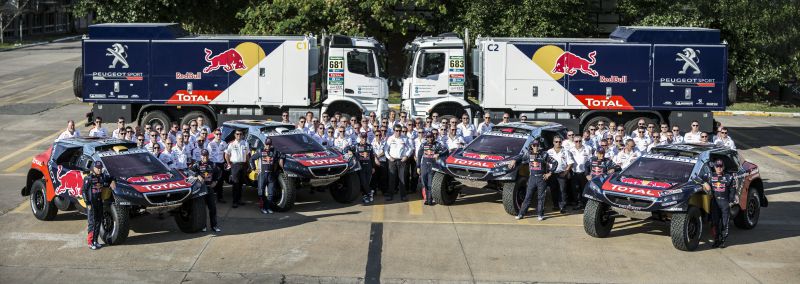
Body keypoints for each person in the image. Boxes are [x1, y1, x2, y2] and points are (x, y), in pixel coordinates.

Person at [518, 140, 557, 221]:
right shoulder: (528, 154)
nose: (536, 146)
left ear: (539, 145)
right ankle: (521, 214)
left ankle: (540, 215)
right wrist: (514, 160)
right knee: (528, 197)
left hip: (541, 179)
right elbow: (520, 157)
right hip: (532, 178)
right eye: (534, 145)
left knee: (541, 198)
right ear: (531, 146)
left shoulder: (544, 154)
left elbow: (555, 162)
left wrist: (549, 173)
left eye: (537, 145)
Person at [703, 159, 736, 248]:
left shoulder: (729, 177)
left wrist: (731, 202)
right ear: (714, 167)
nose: (719, 168)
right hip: (714, 203)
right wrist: (704, 183)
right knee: (715, 222)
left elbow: (733, 190)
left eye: (721, 166)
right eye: (717, 166)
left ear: (723, 167)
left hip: (725, 203)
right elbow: (696, 179)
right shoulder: (710, 175)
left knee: (725, 223)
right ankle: (716, 240)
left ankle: (723, 241)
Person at [187, 149, 221, 232]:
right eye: (203, 155)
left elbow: (219, 172)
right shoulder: (197, 164)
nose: (204, 157)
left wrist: (215, 181)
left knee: (212, 208)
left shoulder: (212, 164)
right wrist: (197, 175)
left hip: (209, 188)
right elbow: (189, 171)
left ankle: (214, 226)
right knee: (202, 209)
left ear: (208, 156)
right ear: (200, 156)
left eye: (206, 155)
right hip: (200, 189)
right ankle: (203, 226)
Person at [82, 161, 113, 250]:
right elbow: (83, 191)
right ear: (94, 168)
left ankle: (95, 241)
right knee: (92, 223)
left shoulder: (102, 176)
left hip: (99, 202)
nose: (99, 169)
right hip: (91, 203)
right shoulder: (88, 178)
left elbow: (110, 178)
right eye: (97, 168)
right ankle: (90, 242)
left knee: (98, 221)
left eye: (100, 168)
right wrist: (87, 203)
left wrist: (112, 181)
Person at [249, 138, 283, 214]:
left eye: (269, 144)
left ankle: (268, 207)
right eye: (267, 144)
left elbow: (282, 155)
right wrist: (254, 169)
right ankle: (262, 208)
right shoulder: (260, 151)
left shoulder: (275, 152)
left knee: (271, 193)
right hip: (262, 175)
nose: (268, 146)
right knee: (261, 193)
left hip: (271, 175)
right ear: (264, 144)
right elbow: (251, 159)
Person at [346, 133, 379, 204]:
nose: (364, 139)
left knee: (367, 183)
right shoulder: (356, 146)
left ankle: (365, 197)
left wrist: (373, 167)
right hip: (360, 167)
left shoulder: (370, 146)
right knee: (363, 182)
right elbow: (346, 148)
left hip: (369, 167)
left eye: (365, 138)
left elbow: (372, 157)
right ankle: (370, 192)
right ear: (360, 138)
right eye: (362, 138)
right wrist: (350, 151)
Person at [417, 132, 447, 205]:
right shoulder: (423, 144)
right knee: (424, 183)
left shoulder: (437, 144)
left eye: (431, 137)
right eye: (428, 137)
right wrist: (418, 167)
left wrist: (439, 154)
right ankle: (427, 199)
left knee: (430, 183)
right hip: (424, 165)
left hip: (433, 165)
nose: (430, 138)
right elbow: (419, 155)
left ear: (433, 137)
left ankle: (429, 200)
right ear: (426, 137)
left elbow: (446, 150)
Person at [385, 124, 413, 201]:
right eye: (396, 130)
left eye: (400, 130)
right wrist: (389, 157)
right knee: (391, 178)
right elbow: (385, 149)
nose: (398, 132)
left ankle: (403, 196)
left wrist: (406, 156)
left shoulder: (405, 138)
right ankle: (390, 195)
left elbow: (410, 149)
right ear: (394, 131)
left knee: (402, 179)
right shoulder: (390, 138)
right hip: (392, 161)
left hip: (402, 161)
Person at [547, 136, 574, 213]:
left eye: (559, 142)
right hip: (552, 174)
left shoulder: (565, 151)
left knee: (562, 190)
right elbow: (546, 163)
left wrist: (566, 172)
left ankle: (562, 207)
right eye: (556, 142)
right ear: (553, 142)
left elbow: (570, 163)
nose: (558, 143)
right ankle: (556, 205)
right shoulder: (549, 152)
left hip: (561, 173)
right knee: (553, 190)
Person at [224, 130, 249, 208]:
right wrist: (228, 163)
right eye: (237, 134)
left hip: (243, 165)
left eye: (240, 134)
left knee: (241, 184)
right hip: (235, 165)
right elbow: (226, 154)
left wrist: (247, 164)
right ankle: (234, 201)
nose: (239, 135)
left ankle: (239, 200)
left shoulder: (245, 143)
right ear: (235, 135)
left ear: (242, 135)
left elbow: (247, 155)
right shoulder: (231, 144)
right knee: (235, 184)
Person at [568, 135, 592, 209]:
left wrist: (589, 173)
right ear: (574, 142)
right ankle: (579, 203)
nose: (578, 142)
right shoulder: (570, 150)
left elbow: (590, 162)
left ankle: (585, 204)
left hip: (584, 173)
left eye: (580, 141)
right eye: (576, 141)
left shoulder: (588, 149)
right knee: (575, 189)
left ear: (582, 141)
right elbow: (568, 162)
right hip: (574, 172)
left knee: (584, 189)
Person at [207, 129, 228, 203]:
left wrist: (226, 162)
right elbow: (208, 156)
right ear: (214, 135)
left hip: (221, 164)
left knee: (221, 181)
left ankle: (220, 197)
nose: (218, 135)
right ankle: (211, 198)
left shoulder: (224, 143)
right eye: (217, 134)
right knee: (212, 181)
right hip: (213, 164)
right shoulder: (210, 144)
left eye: (219, 134)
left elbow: (226, 154)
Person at [371, 128, 388, 195]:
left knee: (383, 177)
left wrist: (377, 156)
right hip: (375, 161)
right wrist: (376, 158)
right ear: (375, 136)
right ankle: (374, 191)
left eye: (379, 135)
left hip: (382, 161)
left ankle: (384, 191)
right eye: (377, 135)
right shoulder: (372, 143)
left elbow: (385, 151)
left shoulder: (384, 142)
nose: (378, 136)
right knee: (374, 177)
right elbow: (372, 152)